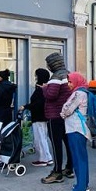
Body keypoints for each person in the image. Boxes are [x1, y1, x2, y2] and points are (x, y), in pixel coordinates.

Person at [42, 53, 73, 184]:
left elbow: (51, 95)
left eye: (48, 63)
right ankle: (69, 169)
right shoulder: (69, 75)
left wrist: (44, 88)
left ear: (52, 64)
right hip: (67, 115)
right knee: (68, 143)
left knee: (56, 145)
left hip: (55, 115)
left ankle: (57, 172)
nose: (47, 66)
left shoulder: (55, 77)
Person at [61, 72, 91, 191]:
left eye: (70, 81)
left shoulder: (79, 93)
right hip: (80, 129)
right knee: (81, 158)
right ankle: (83, 184)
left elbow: (68, 109)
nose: (69, 84)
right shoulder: (83, 92)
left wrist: (62, 113)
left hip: (75, 129)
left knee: (78, 159)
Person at [22, 68, 53, 167]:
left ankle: (44, 159)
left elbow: (38, 104)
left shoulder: (41, 89)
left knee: (40, 138)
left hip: (39, 117)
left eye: (36, 75)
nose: (35, 77)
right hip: (42, 116)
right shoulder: (44, 88)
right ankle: (47, 157)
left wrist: (26, 106)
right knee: (42, 138)